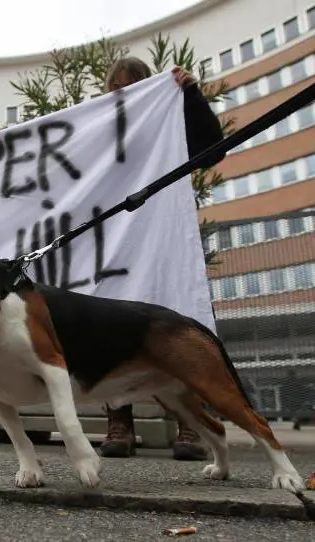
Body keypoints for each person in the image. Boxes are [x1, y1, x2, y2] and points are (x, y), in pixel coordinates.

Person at [100, 58, 226, 461]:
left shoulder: (170, 119)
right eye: (118, 87)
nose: (126, 93)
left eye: (135, 85)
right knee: (112, 327)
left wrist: (188, 95)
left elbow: (211, 151)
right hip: (117, 244)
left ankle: (190, 423)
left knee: (175, 324)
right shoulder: (99, 132)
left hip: (163, 236)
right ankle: (119, 422)